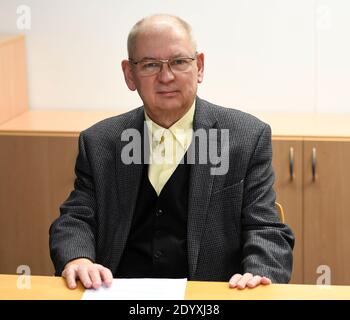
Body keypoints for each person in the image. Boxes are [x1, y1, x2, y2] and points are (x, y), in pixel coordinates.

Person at [49, 14, 294, 291]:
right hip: (119, 291)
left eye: (179, 62)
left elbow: (265, 229)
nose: (166, 77)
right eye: (150, 64)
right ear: (129, 74)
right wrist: (78, 257)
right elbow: (76, 217)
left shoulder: (245, 138)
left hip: (209, 298)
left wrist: (258, 273)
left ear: (199, 67)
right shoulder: (100, 142)